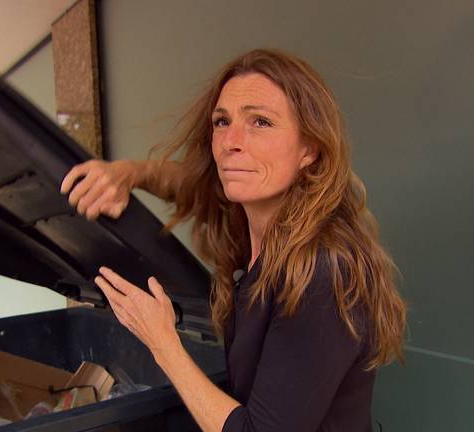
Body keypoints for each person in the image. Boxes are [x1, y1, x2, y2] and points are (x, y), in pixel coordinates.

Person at [60, 49, 406, 432]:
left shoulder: (320, 273)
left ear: (310, 149)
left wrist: (162, 343)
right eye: (222, 122)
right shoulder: (257, 222)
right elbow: (187, 183)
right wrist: (129, 173)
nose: (231, 141)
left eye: (260, 122)